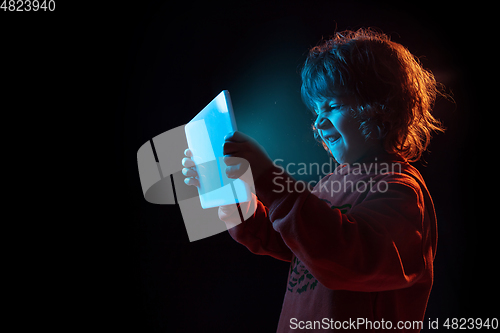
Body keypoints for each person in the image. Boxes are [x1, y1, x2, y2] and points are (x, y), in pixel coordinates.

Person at [182, 28, 445, 332]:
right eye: (317, 110)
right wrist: (234, 196)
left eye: (332, 107)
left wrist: (267, 177)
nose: (319, 122)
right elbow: (294, 242)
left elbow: (346, 257)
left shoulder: (402, 190)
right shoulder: (333, 182)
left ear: (381, 108)